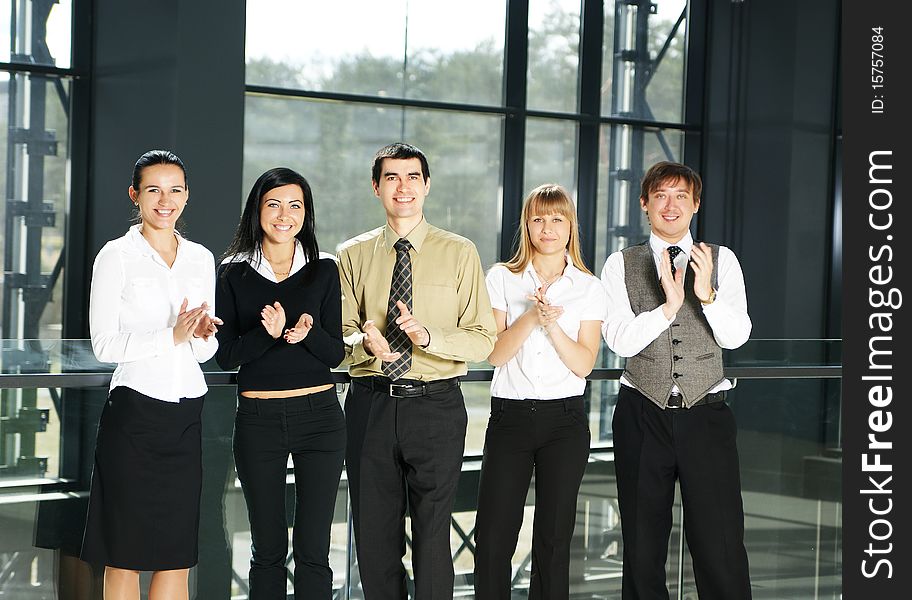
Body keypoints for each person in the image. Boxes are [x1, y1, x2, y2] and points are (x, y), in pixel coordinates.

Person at [337, 142, 497, 598]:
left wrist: (429, 338)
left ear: (427, 185)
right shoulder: (351, 254)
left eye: (412, 178)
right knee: (374, 538)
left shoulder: (461, 252)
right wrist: (364, 344)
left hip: (436, 406)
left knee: (432, 536)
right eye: (391, 178)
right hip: (370, 406)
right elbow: (339, 336)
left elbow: (483, 338)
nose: (402, 187)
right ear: (376, 187)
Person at [600, 161, 752, 600]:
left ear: (696, 204)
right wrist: (667, 307)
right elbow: (618, 340)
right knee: (642, 545)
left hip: (706, 416)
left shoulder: (722, 260)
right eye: (661, 196)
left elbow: (737, 335)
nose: (671, 205)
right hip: (641, 415)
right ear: (644, 203)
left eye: (681, 196)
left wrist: (706, 296)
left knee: (720, 541)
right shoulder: (620, 264)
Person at [82, 150, 220, 600]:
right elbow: (103, 345)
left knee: (175, 554)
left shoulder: (201, 258)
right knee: (125, 554)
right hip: (134, 415)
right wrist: (171, 335)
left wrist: (199, 334)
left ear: (187, 196)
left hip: (186, 415)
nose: (166, 200)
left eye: (176, 190)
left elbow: (203, 350)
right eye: (154, 190)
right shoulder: (116, 256)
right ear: (135, 195)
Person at [215, 168, 345, 599]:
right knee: (267, 549)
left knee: (314, 549)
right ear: (258, 210)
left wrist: (308, 334)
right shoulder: (232, 273)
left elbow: (335, 354)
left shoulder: (325, 269)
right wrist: (265, 335)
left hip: (321, 418)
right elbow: (227, 356)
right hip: (259, 419)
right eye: (273, 204)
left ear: (306, 214)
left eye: (295, 205)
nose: (284, 214)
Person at [473, 184, 606, 599]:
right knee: (494, 537)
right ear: (526, 225)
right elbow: (494, 354)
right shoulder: (501, 277)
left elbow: (584, 364)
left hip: (564, 422)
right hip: (510, 418)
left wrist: (552, 326)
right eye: (538, 219)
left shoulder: (589, 286)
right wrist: (531, 316)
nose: (547, 227)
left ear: (570, 226)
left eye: (557, 219)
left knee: (553, 539)